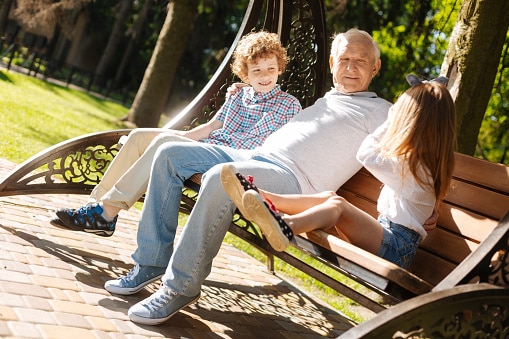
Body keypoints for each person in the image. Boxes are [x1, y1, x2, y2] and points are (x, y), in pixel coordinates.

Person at [105, 28, 435, 326]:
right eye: (345, 59)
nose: (351, 67)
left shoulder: (384, 111)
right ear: (332, 62)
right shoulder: (328, 99)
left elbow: (402, 155)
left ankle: (180, 286)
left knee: (223, 177)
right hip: (256, 156)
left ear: (375, 69)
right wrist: (245, 91)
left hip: (294, 182)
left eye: (361, 61)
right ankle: (150, 262)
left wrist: (421, 202)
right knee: (169, 154)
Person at [53, 31, 301, 237]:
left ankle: (106, 215)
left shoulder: (288, 105)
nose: (265, 75)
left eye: (271, 68)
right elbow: (210, 128)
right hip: (208, 146)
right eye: (256, 71)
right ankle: (94, 207)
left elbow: (270, 146)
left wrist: (166, 142)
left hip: (231, 159)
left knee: (162, 143)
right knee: (140, 136)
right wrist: (165, 138)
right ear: (245, 74)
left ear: (280, 68)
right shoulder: (239, 95)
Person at [221, 74, 455, 269]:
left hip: (396, 248)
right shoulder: (417, 167)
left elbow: (366, 155)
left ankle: (286, 227)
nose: (393, 116)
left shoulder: (418, 174)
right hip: (387, 238)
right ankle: (262, 198)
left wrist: (391, 121)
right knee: (331, 198)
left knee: (338, 205)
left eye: (399, 114)